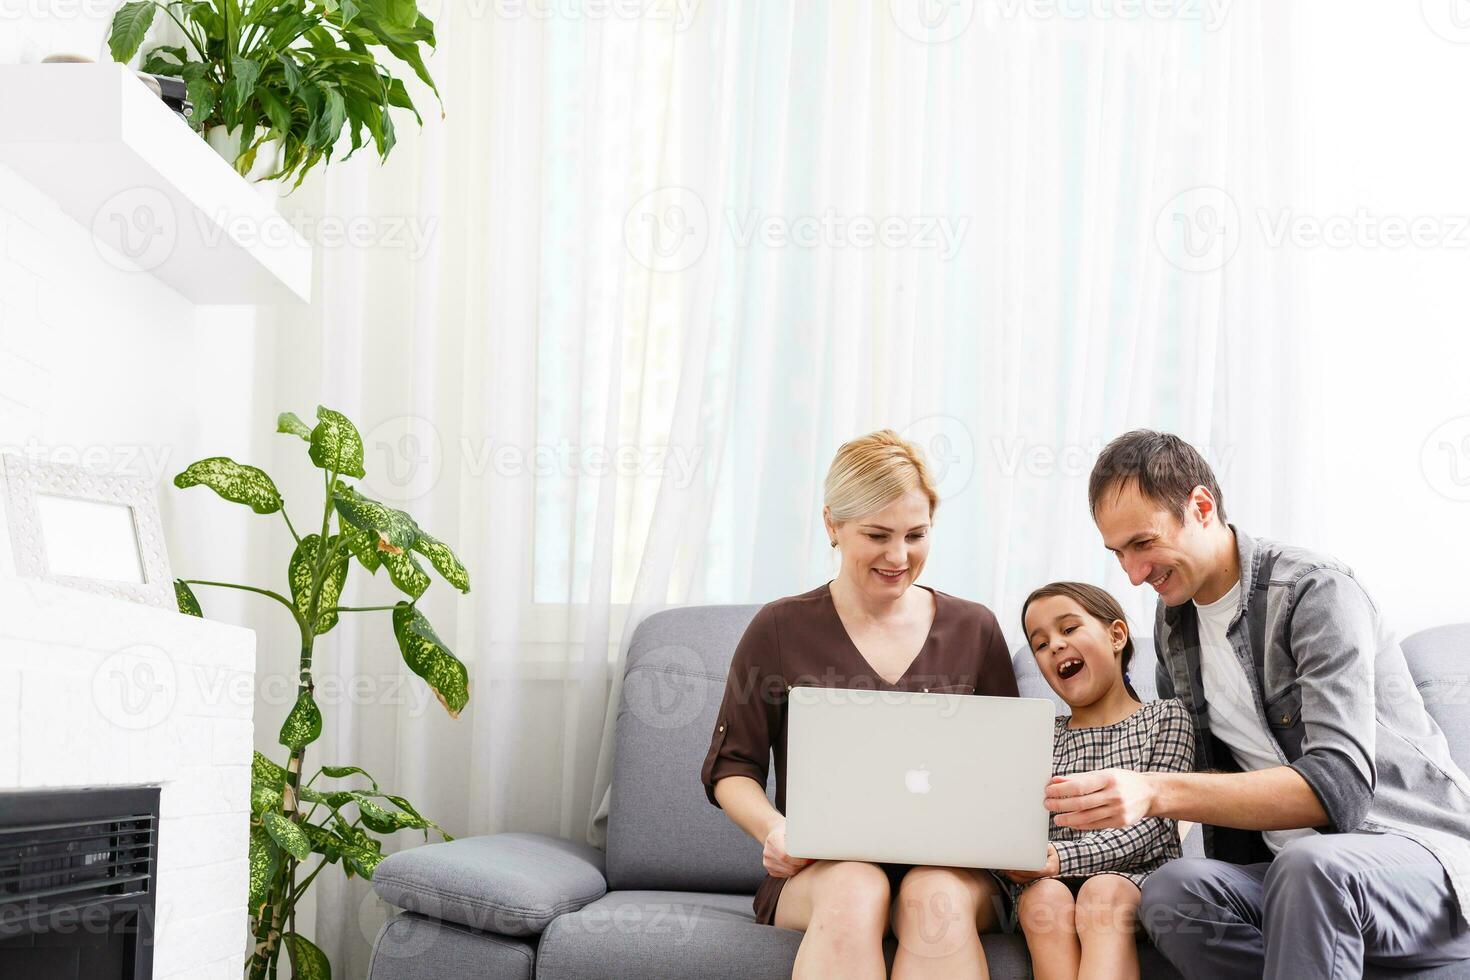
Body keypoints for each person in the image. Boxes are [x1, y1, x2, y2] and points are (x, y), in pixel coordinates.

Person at [1044, 429, 1470, 979]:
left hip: (1409, 857)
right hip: (1292, 881)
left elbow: (1338, 787)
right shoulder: (1175, 625)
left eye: (1143, 544)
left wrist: (1153, 790)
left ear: (1201, 507)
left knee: (1310, 866)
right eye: (1118, 552)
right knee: (1173, 894)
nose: (1132, 573)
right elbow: (1206, 776)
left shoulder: (1315, 591)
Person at [699, 429, 1019, 980]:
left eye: (916, 535)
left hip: (954, 870)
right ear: (833, 525)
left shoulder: (975, 628)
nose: (899, 556)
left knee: (932, 894)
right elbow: (733, 767)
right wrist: (774, 830)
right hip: (823, 871)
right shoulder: (779, 628)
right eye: (877, 534)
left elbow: (1008, 770)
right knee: (856, 883)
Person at [1002, 581, 1194, 980]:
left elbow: (1153, 831)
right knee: (1045, 901)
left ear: (1116, 635)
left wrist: (1059, 858)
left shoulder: (1166, 718)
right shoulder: (1040, 735)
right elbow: (1025, 828)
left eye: (1069, 629)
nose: (1054, 645)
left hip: (1138, 875)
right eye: (1040, 644)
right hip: (1049, 879)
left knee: (1102, 893)